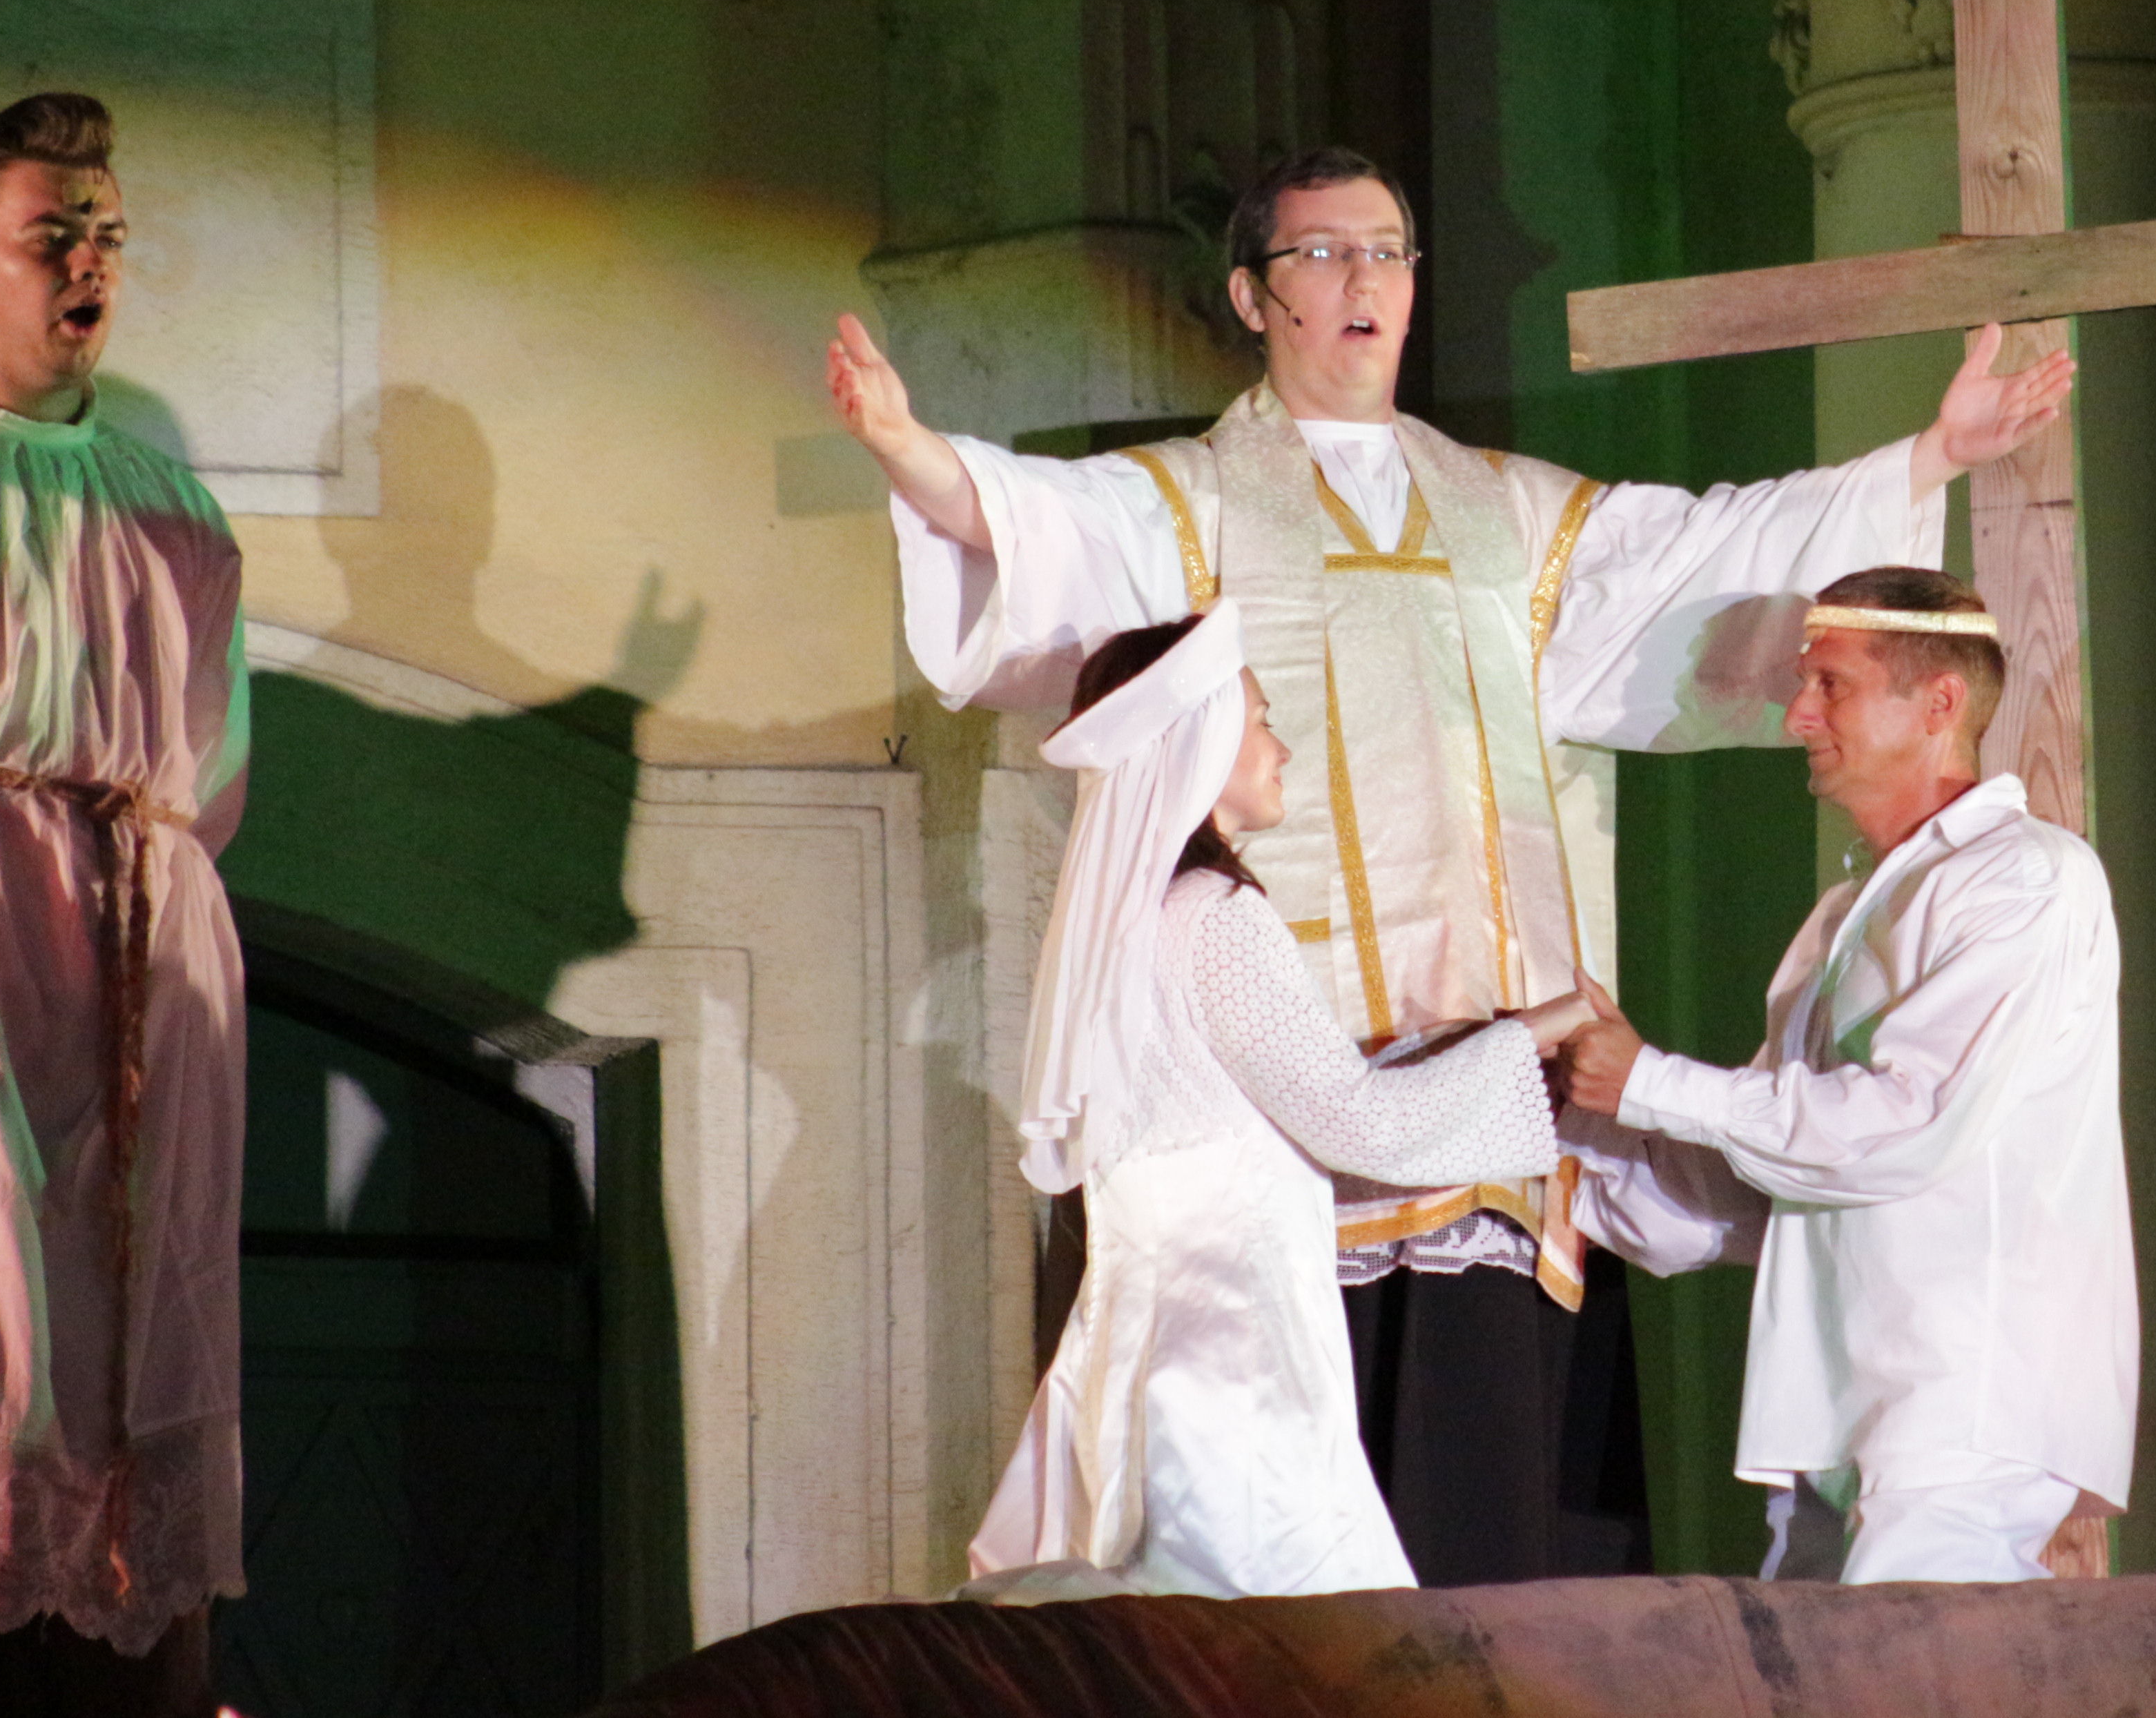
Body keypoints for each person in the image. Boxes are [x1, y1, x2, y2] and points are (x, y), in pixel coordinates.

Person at [831, 145, 2068, 1582]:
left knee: (1499, 1554)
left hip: (1496, 1124)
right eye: (1323, 253)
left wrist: (1927, 460)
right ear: (1252, 295)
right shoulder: (1190, 504)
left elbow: (1705, 556)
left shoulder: (1502, 511)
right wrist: (908, 450)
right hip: (1295, 1138)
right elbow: (1039, 525)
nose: (1363, 279)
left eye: (1389, 251)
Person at [0, 95, 251, 1717]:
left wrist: (149, 885)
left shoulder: (171, 503)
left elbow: (215, 757)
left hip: (141, 924)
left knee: (133, 1318)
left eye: (107, 235)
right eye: (52, 236)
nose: (90, 262)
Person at [964, 605, 1595, 1597]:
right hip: (1232, 1354)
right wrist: (1546, 1026)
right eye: (1259, 720)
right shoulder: (1217, 918)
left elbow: (1249, 1113)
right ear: (1201, 740)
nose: (1280, 747)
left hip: (1129, 1343)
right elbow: (1358, 1123)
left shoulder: (1124, 931)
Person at [1553, 565, 2137, 1584]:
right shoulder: (1844, 917)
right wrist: (1571, 1126)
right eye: (1802, 686)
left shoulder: (2026, 877)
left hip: (1960, 1404)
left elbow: (1904, 1125)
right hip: (1836, 1411)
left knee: (1924, 1670)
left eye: (1831, 685)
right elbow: (1764, 1187)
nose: (1798, 718)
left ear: (1939, 703)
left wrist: (1649, 1083)